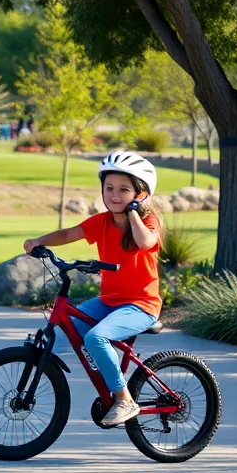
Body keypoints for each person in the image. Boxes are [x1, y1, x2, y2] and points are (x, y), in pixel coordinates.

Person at [23, 151, 163, 426]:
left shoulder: (148, 222)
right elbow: (69, 233)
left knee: (96, 338)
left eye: (123, 190)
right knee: (57, 336)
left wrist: (134, 213)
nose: (113, 195)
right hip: (109, 301)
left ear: (140, 194)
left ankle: (124, 399)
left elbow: (146, 243)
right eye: (109, 188)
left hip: (141, 305)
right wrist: (40, 241)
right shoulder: (101, 222)